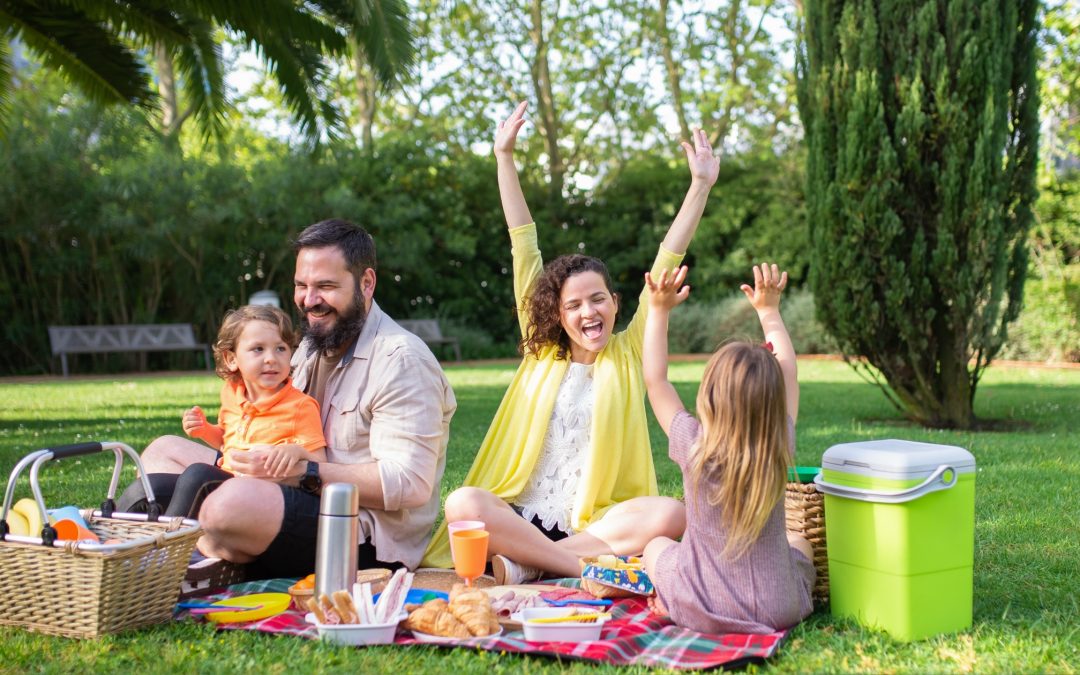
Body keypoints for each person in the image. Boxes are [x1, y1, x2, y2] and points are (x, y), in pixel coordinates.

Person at [420, 100, 720, 583]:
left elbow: (668, 257)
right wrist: (504, 157)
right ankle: (576, 569)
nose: (588, 312)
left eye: (597, 300)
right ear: (557, 315)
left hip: (594, 525)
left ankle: (525, 566)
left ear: (616, 303)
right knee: (463, 502)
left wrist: (700, 186)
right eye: (574, 305)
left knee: (670, 514)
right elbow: (523, 241)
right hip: (519, 515)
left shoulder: (628, 353)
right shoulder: (541, 350)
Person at [119, 219, 456, 583]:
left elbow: (410, 483)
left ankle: (195, 558)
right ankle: (157, 552)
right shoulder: (312, 344)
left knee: (225, 505)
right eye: (301, 285)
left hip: (359, 532)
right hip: (280, 484)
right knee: (162, 452)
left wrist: (305, 473)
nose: (310, 300)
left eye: (325, 286)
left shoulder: (401, 360)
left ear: (366, 283)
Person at [640, 263, 815, 634]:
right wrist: (769, 312)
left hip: (701, 604)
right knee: (799, 541)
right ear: (773, 402)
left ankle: (670, 603)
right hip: (777, 607)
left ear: (710, 396)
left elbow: (656, 382)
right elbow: (788, 372)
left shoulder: (694, 444)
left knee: (655, 547)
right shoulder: (778, 440)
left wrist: (658, 311)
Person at [161, 304, 328, 519]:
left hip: (265, 494)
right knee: (154, 485)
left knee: (197, 474)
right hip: (229, 479)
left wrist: (295, 452)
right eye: (258, 349)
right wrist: (204, 430)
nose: (271, 358)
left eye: (281, 348)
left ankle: (166, 546)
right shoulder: (231, 393)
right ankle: (116, 542)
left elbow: (320, 460)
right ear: (231, 359)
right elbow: (226, 440)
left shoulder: (300, 406)